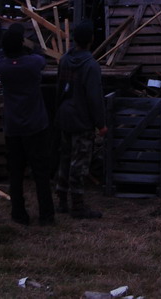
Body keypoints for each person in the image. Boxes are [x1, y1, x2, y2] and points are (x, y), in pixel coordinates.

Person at [0, 28, 54, 226]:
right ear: (21, 45)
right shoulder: (32, 63)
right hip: (36, 126)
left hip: (13, 127)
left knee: (16, 173)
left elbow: (2, 55)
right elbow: (41, 55)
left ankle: (19, 213)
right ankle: (46, 215)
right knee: (41, 173)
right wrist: (32, 46)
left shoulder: (1, 65)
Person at [54, 20, 107, 219]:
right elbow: (95, 97)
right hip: (82, 119)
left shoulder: (65, 60)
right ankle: (77, 205)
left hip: (65, 115)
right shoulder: (91, 66)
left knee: (65, 158)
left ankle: (61, 201)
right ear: (91, 40)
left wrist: (58, 112)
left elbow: (59, 89)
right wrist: (100, 123)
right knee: (80, 162)